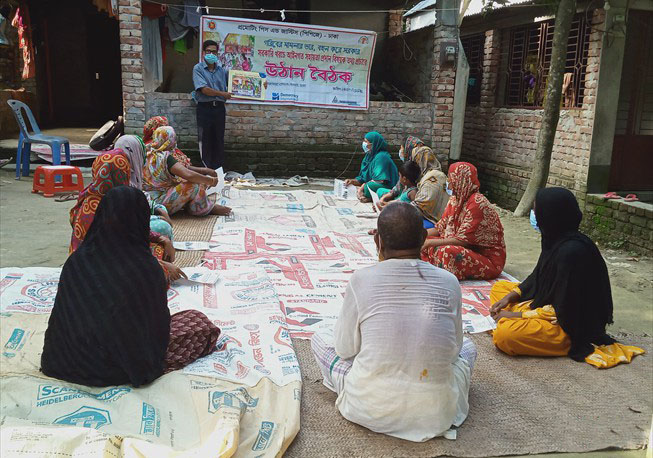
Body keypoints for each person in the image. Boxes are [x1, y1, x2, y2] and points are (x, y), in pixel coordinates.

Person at [311, 202, 476, 442]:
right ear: (423, 238)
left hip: (368, 407)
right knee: (469, 348)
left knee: (320, 339)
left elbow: (345, 349)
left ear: (378, 240)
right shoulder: (449, 282)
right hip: (436, 413)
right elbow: (454, 352)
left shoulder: (361, 279)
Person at [41, 186, 221, 387]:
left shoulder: (77, 260)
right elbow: (155, 329)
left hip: (63, 362)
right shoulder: (145, 268)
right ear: (142, 220)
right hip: (118, 370)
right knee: (199, 324)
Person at [489, 187, 645, 368]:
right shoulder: (554, 239)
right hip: (550, 306)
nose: (534, 215)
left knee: (506, 336)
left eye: (536, 210)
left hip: (572, 325)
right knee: (499, 289)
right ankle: (511, 317)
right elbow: (538, 276)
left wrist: (516, 315)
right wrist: (511, 297)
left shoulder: (572, 252)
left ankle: (559, 343)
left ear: (550, 215)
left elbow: (565, 308)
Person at [68, 148, 185, 282]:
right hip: (95, 269)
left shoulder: (109, 199)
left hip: (108, 258)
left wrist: (163, 239)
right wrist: (160, 265)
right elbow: (115, 252)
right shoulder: (96, 208)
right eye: (125, 173)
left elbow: (130, 230)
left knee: (159, 249)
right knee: (154, 273)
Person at [421, 161, 505, 280]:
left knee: (446, 252)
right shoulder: (455, 200)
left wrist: (430, 243)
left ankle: (443, 276)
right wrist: (418, 236)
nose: (449, 186)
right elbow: (440, 228)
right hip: (462, 247)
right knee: (422, 243)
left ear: (461, 180)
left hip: (486, 258)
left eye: (451, 181)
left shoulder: (477, 203)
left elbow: (463, 241)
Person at [143, 126, 232, 216]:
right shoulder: (165, 157)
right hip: (160, 204)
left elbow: (183, 169)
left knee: (191, 180)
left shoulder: (147, 153)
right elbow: (188, 174)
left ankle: (193, 205)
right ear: (170, 140)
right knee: (193, 185)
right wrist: (210, 181)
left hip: (146, 201)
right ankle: (201, 209)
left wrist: (204, 171)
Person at [377, 137, 449, 229]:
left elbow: (420, 205)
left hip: (433, 219)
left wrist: (393, 207)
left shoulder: (431, 179)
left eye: (415, 160)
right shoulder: (429, 175)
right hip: (426, 214)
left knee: (397, 221)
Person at [114, 134, 173, 239]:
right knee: (164, 227)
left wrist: (158, 211)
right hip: (122, 226)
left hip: (133, 216)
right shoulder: (117, 175)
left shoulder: (132, 173)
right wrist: (157, 218)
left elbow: (140, 198)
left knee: (160, 208)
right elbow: (126, 215)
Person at [193, 40, 231, 169]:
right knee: (205, 141)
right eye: (208, 51)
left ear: (217, 54)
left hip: (219, 109)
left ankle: (218, 172)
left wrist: (261, 84)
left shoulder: (222, 71)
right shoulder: (198, 69)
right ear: (203, 53)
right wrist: (222, 94)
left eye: (213, 52)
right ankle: (207, 171)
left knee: (218, 140)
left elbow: (239, 82)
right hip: (204, 109)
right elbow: (204, 90)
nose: (211, 54)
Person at [344, 131, 398, 203]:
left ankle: (369, 197)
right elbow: (362, 179)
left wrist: (362, 187)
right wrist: (352, 181)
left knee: (368, 186)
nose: (364, 144)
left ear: (374, 144)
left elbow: (379, 180)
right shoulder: (368, 156)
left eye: (366, 142)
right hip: (374, 184)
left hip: (387, 187)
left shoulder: (381, 157)